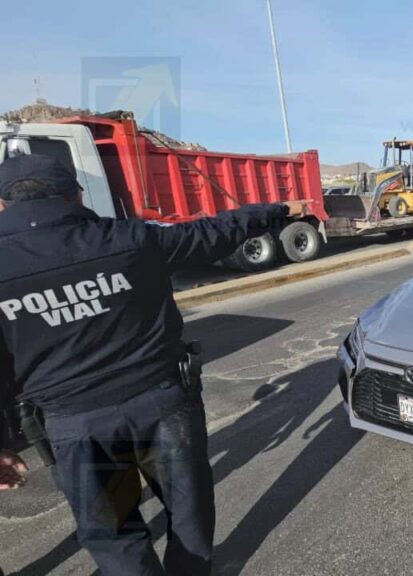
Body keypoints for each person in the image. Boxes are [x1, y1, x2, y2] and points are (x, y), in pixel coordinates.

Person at [0, 154, 289, 575]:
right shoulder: (132, 239)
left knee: (114, 532)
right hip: (161, 407)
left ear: (4, 205)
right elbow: (211, 234)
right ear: (74, 194)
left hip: (77, 427)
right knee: (187, 512)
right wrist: (272, 211)